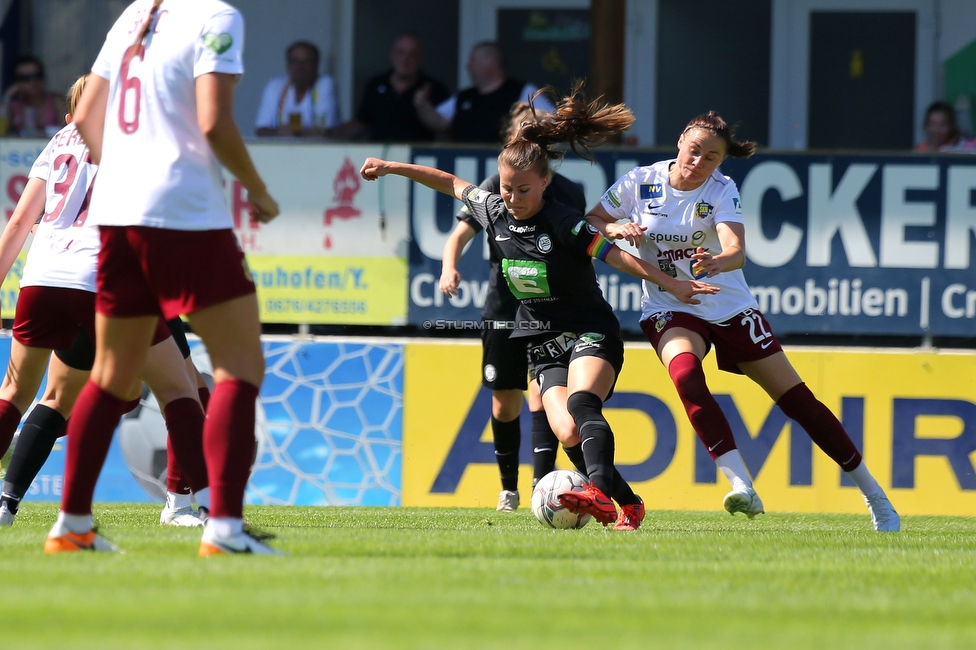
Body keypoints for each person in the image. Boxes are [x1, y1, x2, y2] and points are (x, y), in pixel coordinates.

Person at [362, 84, 719, 530]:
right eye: (508, 189)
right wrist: (390, 167)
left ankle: (600, 494)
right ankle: (630, 502)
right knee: (567, 431)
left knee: (584, 405)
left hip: (591, 330)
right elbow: (451, 183)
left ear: (545, 183)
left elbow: (617, 257)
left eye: (524, 190)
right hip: (542, 340)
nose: (513, 198)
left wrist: (673, 283)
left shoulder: (565, 222)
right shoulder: (494, 209)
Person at [587, 111, 901, 532]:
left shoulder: (721, 189)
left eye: (711, 157)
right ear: (681, 140)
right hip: (670, 305)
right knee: (684, 374)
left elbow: (736, 249)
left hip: (729, 306)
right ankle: (741, 485)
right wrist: (619, 226)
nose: (698, 162)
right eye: (695, 151)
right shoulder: (640, 181)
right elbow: (592, 220)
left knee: (798, 403)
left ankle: (876, 498)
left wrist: (718, 261)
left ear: (721, 162)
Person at [50, 0, 281, 555]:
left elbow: (85, 117)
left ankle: (72, 526)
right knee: (238, 367)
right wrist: (257, 188)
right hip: (184, 213)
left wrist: (129, 174)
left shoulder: (135, 13)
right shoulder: (217, 16)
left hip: (118, 215)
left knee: (109, 376)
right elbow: (214, 121)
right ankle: (224, 530)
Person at [0, 75, 210, 529]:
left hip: (44, 279)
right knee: (184, 387)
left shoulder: (59, 140)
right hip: (115, 281)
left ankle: (6, 503)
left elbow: (20, 221)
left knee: (37, 396)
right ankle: (186, 504)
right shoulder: (138, 139)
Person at [440, 101, 586, 512]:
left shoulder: (569, 192)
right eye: (518, 137)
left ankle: (544, 485)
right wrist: (449, 267)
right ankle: (509, 489)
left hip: (553, 312)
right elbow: (458, 235)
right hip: (503, 308)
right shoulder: (493, 186)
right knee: (505, 401)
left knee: (544, 393)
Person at [414, 41, 555, 143]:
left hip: (507, 170)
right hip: (464, 169)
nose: (468, 66)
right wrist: (422, 104)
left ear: (489, 61)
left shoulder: (522, 91)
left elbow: (553, 122)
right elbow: (439, 121)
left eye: (472, 60)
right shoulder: (464, 96)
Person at [329, 33, 450, 142]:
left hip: (417, 162)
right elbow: (362, 122)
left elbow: (446, 127)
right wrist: (328, 133)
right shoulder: (376, 84)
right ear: (392, 55)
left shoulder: (434, 87)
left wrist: (424, 105)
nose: (405, 59)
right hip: (380, 160)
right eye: (401, 53)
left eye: (412, 54)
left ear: (420, 58)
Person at [254, 40, 339, 137]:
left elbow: (323, 132)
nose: (300, 67)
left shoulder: (325, 84)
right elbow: (260, 129)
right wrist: (278, 133)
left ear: (317, 65)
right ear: (288, 65)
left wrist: (291, 135)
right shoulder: (275, 86)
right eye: (295, 61)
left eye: (307, 61)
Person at [1, 55, 67, 137]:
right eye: (25, 78)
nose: (32, 82)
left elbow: (69, 130)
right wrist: (7, 97)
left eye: (37, 76)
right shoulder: (13, 106)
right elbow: (2, 132)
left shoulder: (55, 101)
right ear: (16, 82)